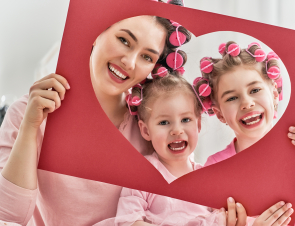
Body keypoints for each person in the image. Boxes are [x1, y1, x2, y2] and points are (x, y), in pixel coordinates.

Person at [0, 0, 193, 224]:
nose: (129, 62)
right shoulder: (26, 114)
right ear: (96, 30)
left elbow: (181, 213)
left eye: (147, 57)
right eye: (124, 40)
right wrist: (29, 128)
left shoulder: (155, 129)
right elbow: (8, 216)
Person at [93, 70, 294, 226]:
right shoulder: (144, 173)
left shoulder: (208, 177)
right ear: (146, 131)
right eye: (164, 123)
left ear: (198, 125)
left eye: (186, 120)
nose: (177, 130)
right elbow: (128, 220)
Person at [195, 41, 295, 225]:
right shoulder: (214, 167)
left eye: (255, 90)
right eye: (232, 97)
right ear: (219, 113)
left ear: (273, 94)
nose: (247, 103)